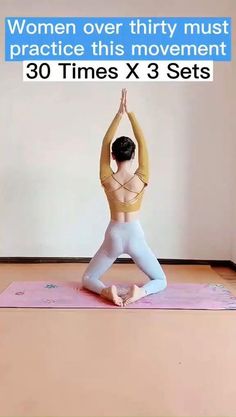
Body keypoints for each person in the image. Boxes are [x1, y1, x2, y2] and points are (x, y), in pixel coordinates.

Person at [81, 89, 167, 306]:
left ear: (113, 155)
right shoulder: (142, 177)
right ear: (134, 155)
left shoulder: (106, 177)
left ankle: (106, 292)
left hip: (114, 234)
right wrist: (131, 114)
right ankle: (140, 293)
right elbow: (143, 141)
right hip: (135, 234)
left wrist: (118, 114)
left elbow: (105, 141)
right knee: (160, 279)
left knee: (89, 278)